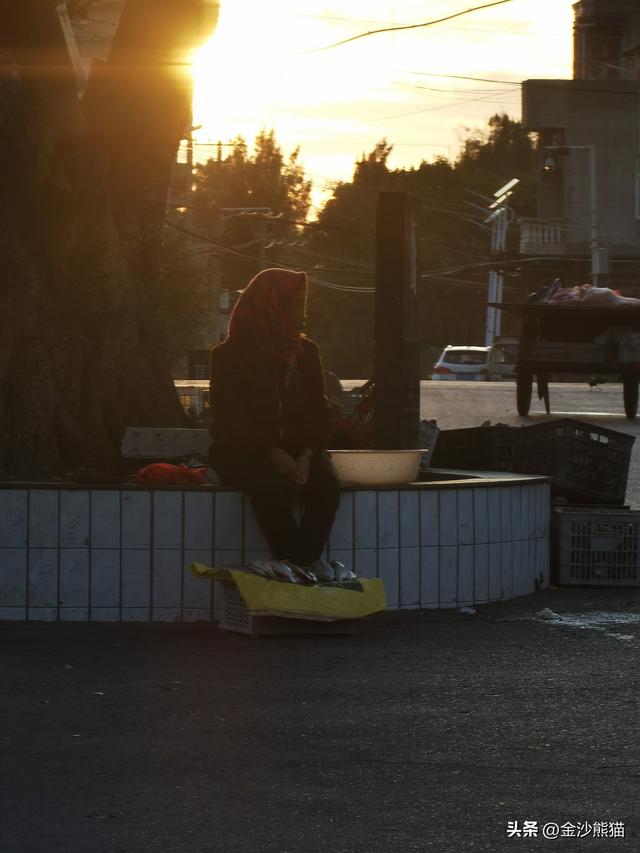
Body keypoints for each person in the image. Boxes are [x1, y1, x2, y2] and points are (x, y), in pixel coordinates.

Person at [209, 267, 340, 570]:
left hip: (300, 450)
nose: (302, 313)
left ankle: (297, 569)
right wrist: (274, 453)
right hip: (245, 450)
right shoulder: (230, 355)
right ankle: (302, 568)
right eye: (296, 304)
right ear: (273, 304)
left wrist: (307, 455)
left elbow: (319, 413)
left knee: (326, 489)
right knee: (271, 489)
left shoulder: (306, 352)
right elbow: (231, 418)